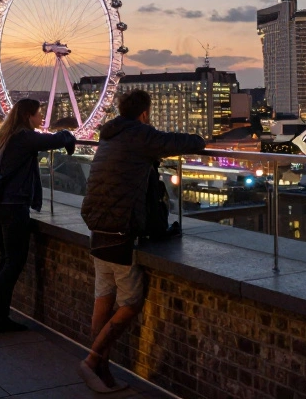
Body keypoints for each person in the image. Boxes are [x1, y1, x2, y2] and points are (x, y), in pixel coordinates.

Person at [77, 90, 205, 393]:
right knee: (131, 302)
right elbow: (182, 143)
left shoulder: (109, 135)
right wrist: (200, 140)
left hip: (97, 225)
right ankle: (93, 361)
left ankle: (102, 368)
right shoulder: (139, 134)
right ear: (145, 114)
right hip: (121, 228)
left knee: (103, 296)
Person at [0, 98, 74, 335]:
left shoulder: (10, 136)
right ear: (29, 116)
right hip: (12, 207)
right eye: (39, 115)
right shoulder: (25, 137)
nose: (42, 119)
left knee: (6, 261)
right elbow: (55, 140)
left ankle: (1, 317)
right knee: (14, 262)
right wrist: (68, 134)